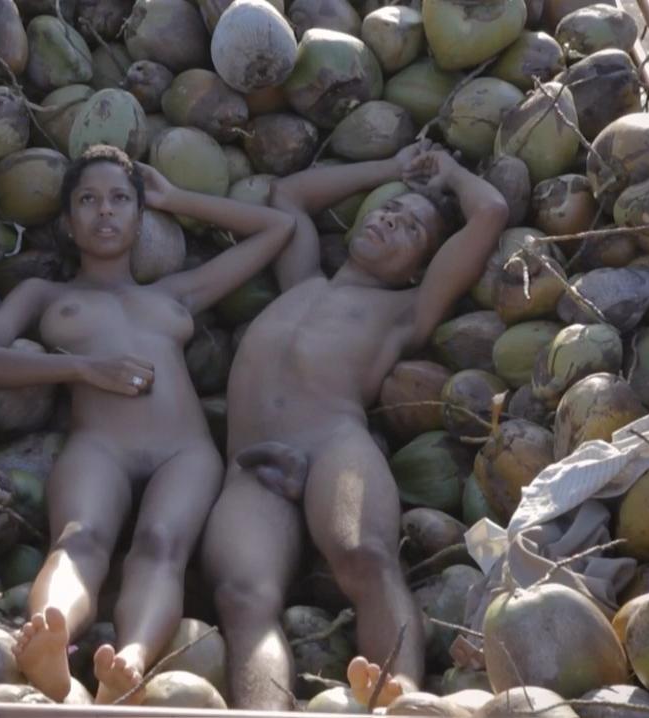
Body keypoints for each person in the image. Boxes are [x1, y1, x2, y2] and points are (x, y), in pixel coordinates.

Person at [0, 145, 296, 703]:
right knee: (79, 538)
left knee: (162, 546)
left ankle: (130, 660)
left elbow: (278, 228)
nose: (105, 211)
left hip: (183, 453)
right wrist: (83, 368)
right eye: (88, 200)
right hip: (100, 447)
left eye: (119, 199)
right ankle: (49, 637)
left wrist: (177, 198)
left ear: (140, 220)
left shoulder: (175, 293)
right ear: (68, 224)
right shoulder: (46, 295)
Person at [200, 142, 510, 710]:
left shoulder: (405, 311)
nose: (392, 220)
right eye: (389, 210)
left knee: (365, 557)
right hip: (251, 464)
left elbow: (490, 212)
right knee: (243, 597)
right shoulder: (302, 278)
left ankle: (401, 701)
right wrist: (393, 168)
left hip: (331, 445)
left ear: (417, 268)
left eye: (412, 229)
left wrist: (451, 171)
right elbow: (288, 193)